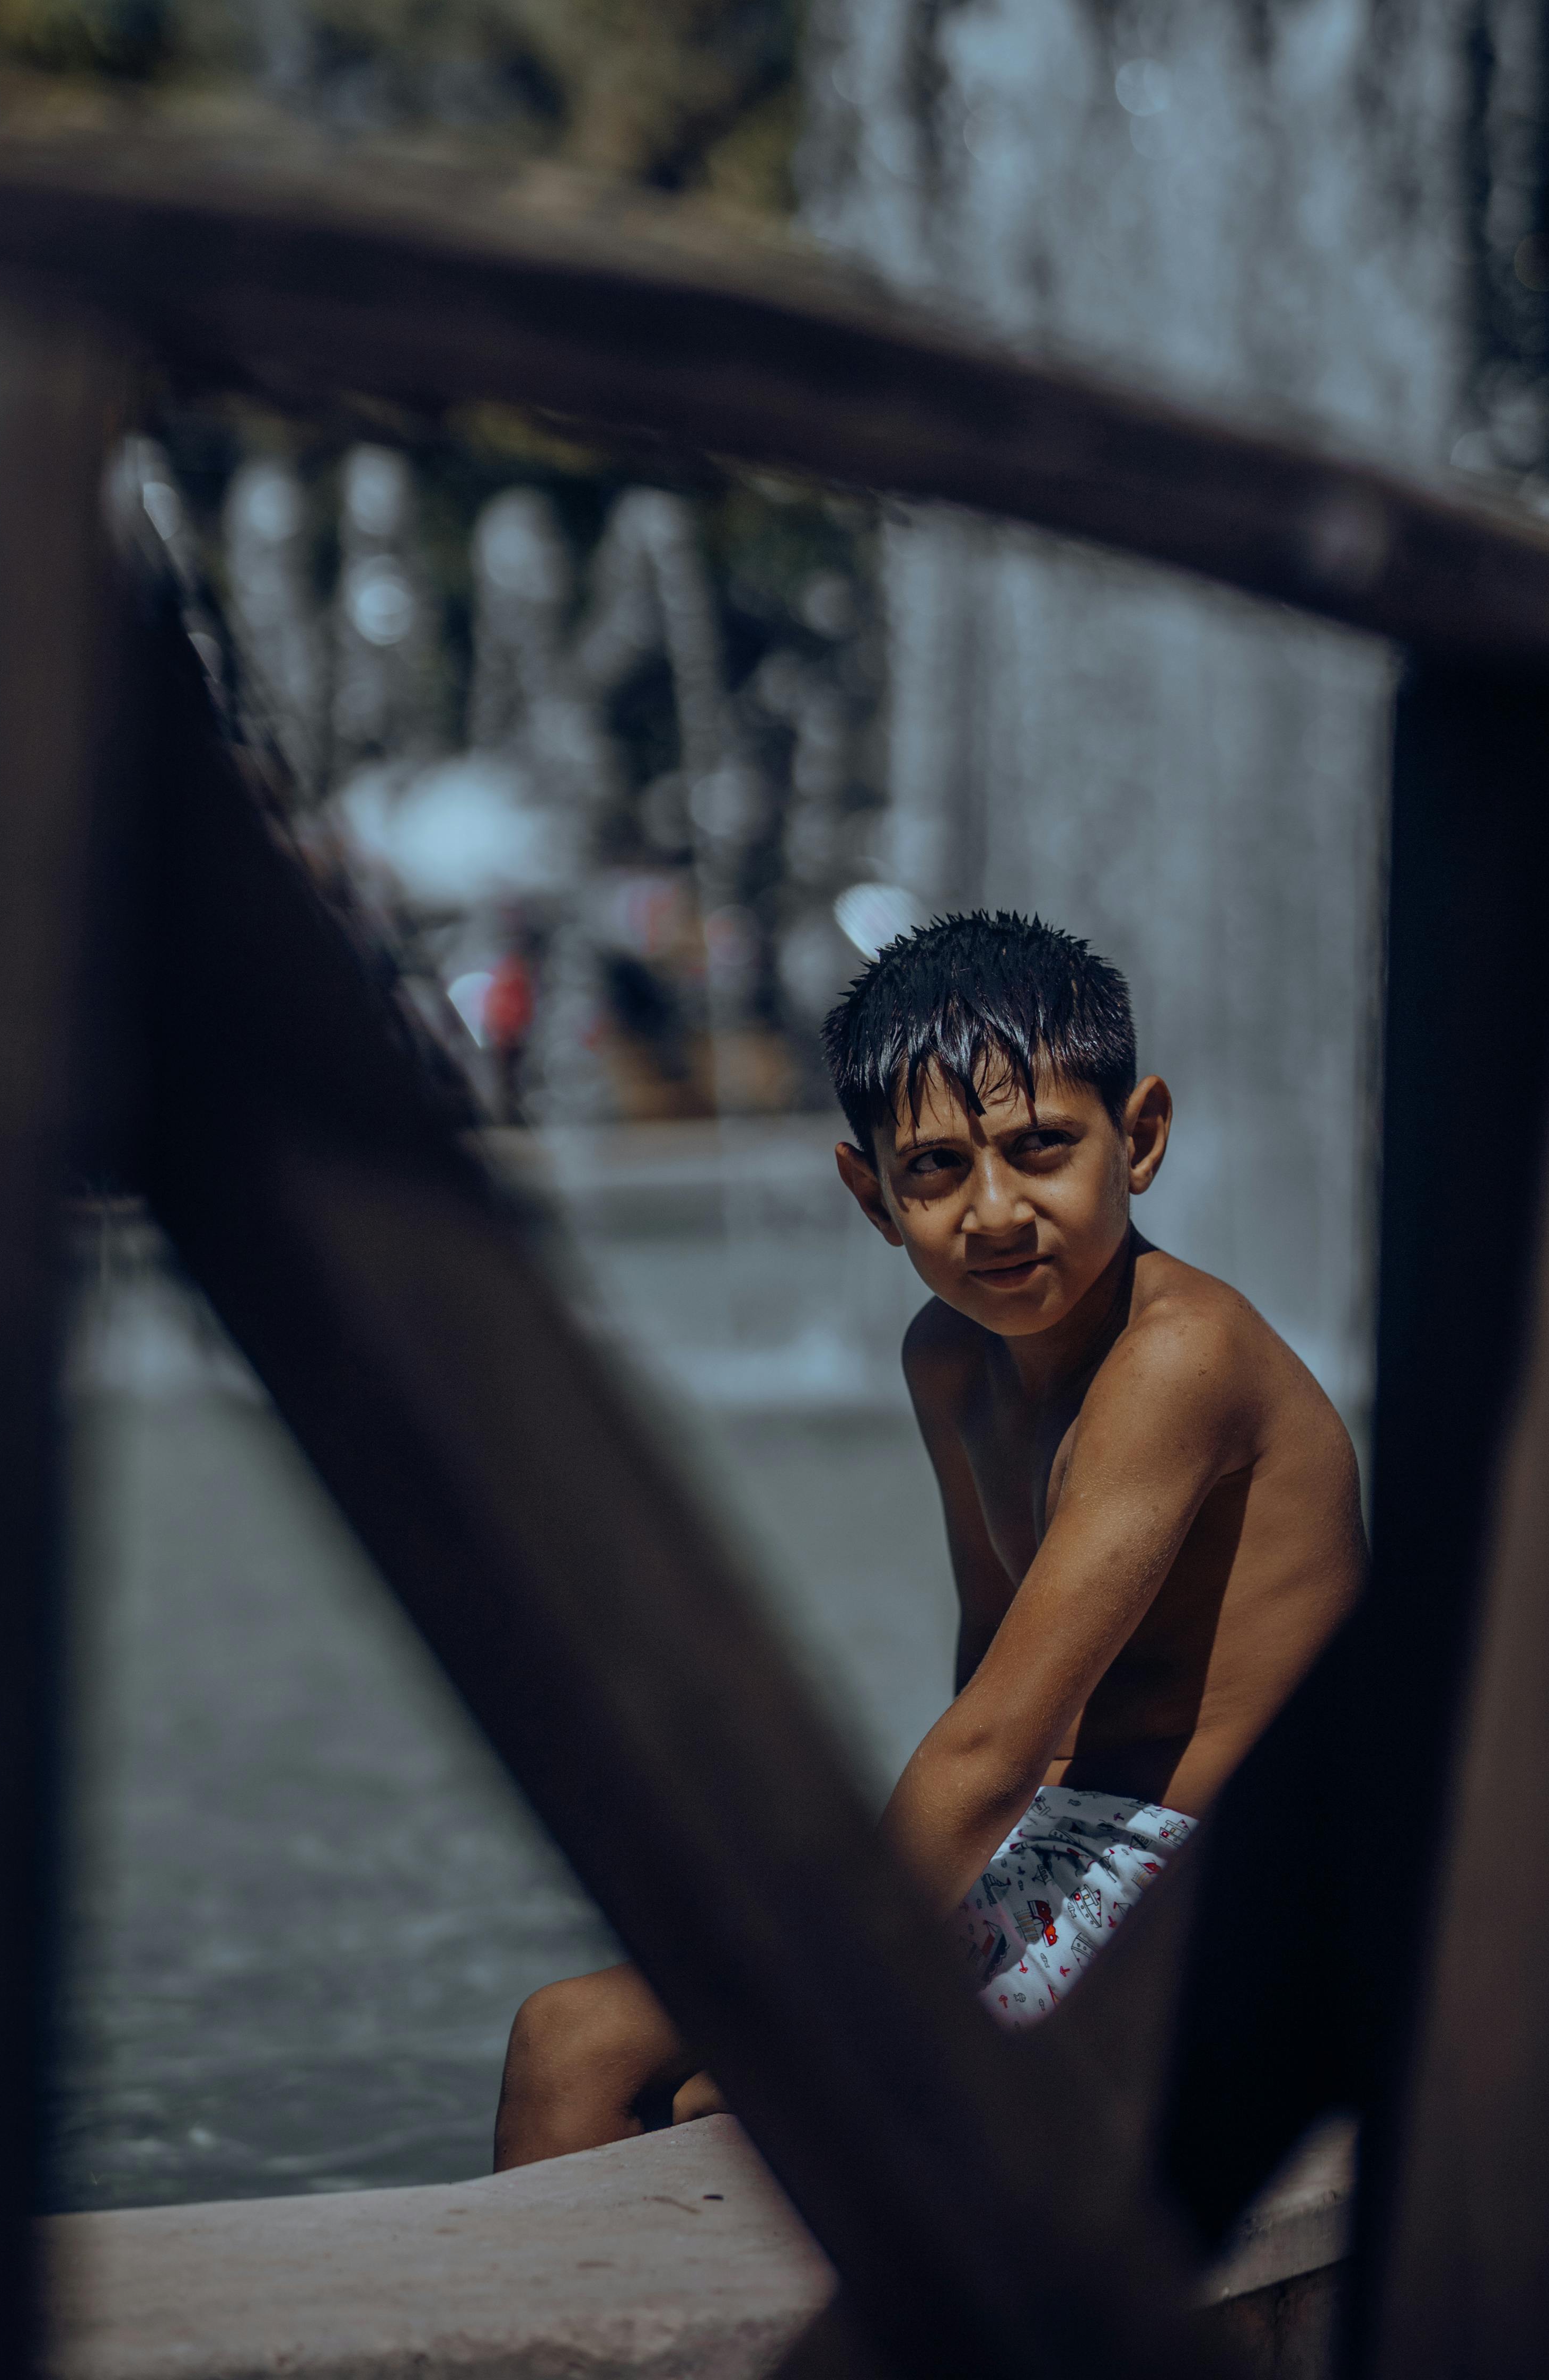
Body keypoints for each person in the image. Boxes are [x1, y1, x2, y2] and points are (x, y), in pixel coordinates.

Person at [492, 909, 1366, 2163]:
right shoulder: (948, 1356)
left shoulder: (1179, 1360)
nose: (994, 1211)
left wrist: (837, 1977)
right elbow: (989, 1665)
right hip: (1073, 1846)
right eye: (937, 1169)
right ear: (872, 1195)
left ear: (1139, 1139)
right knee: (573, 2037)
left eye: (1040, 1148)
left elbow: (994, 1746)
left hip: (1241, 1897)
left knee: (690, 2091)